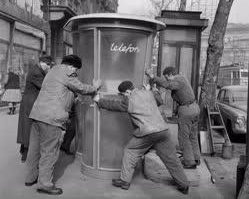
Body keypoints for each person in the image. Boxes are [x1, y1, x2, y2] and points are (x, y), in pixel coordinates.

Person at [93, 80, 189, 195]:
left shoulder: (129, 100)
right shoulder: (148, 92)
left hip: (147, 133)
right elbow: (159, 101)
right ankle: (184, 185)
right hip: (163, 130)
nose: (123, 97)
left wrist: (99, 100)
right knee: (172, 159)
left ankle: (124, 181)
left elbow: (114, 105)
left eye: (123, 95)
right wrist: (152, 90)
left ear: (128, 91)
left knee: (130, 151)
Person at [25, 54, 101, 196]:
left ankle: (30, 178)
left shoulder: (52, 71)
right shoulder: (67, 73)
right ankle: (45, 184)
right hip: (52, 118)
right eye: (76, 70)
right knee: (49, 152)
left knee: (34, 149)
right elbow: (82, 88)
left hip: (37, 114)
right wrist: (94, 87)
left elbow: (62, 90)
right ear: (72, 66)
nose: (76, 73)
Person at [145, 67, 201, 169]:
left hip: (187, 110)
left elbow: (168, 85)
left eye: (166, 77)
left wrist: (152, 76)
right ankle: (196, 158)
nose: (166, 79)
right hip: (195, 108)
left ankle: (189, 162)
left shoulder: (178, 79)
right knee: (192, 136)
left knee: (183, 137)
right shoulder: (182, 78)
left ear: (171, 74)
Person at [17, 55, 54, 162]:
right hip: (31, 103)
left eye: (49, 65)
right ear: (41, 62)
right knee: (30, 127)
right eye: (47, 65)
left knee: (26, 126)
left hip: (30, 102)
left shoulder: (36, 69)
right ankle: (25, 153)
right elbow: (45, 87)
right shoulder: (37, 73)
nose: (48, 67)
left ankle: (24, 150)